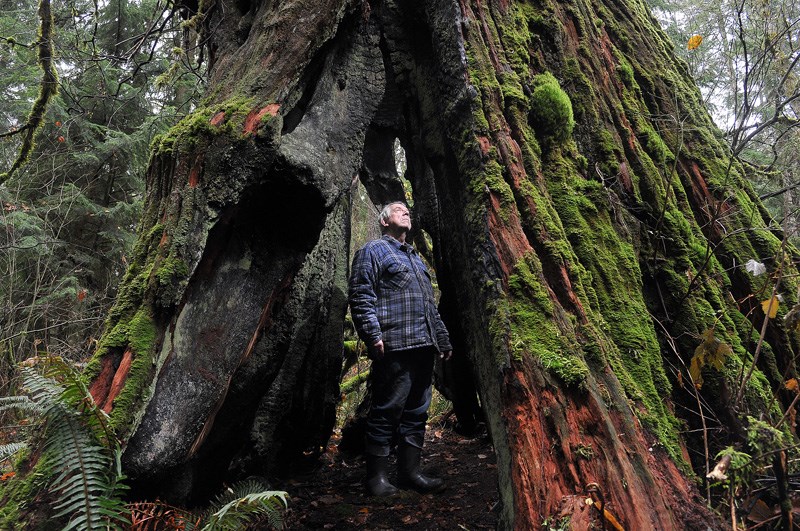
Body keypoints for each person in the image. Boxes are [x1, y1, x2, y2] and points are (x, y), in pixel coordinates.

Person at [348, 201, 453, 497]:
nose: (406, 211)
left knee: (417, 412)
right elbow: (360, 293)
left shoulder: (416, 260)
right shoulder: (373, 251)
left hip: (424, 345)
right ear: (384, 221)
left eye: (407, 209)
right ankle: (376, 480)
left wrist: (442, 338)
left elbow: (428, 305)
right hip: (395, 345)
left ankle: (410, 473)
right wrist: (372, 334)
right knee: (387, 411)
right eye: (398, 209)